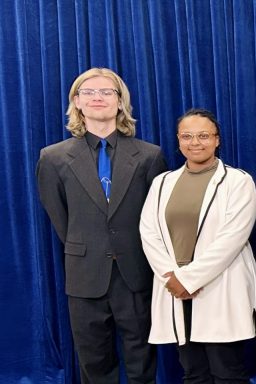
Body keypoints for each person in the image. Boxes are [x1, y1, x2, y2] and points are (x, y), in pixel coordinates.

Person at [36, 68, 166, 383]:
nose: (98, 97)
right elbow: (60, 219)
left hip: (135, 274)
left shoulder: (150, 156)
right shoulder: (53, 158)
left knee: (141, 359)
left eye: (107, 92)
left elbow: (157, 216)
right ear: (77, 102)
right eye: (89, 92)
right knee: (93, 361)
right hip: (85, 275)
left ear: (120, 102)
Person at [139, 109, 256, 383]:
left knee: (227, 372)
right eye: (187, 136)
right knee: (193, 373)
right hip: (175, 290)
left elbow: (233, 238)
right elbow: (148, 232)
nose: (195, 142)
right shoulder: (162, 183)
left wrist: (189, 278)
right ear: (178, 141)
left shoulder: (238, 181)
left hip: (219, 287)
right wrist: (170, 276)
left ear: (217, 140)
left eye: (204, 136)